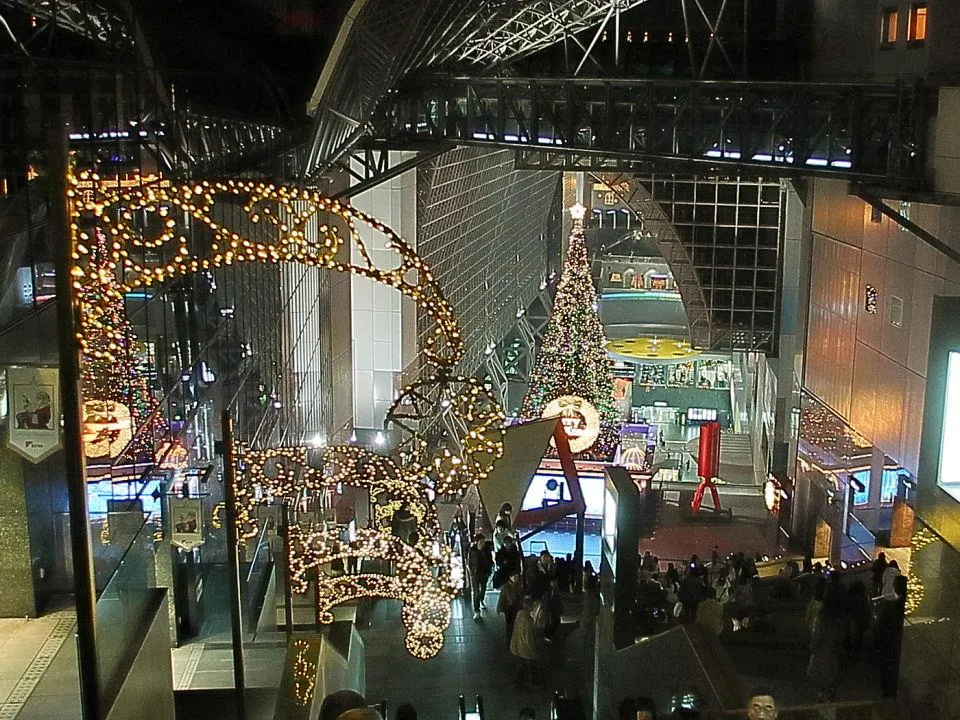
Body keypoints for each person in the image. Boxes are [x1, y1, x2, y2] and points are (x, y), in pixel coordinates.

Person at [510, 596, 543, 689]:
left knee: (521, 663)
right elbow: (530, 639)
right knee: (531, 666)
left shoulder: (520, 614)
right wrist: (534, 651)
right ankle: (534, 683)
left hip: (517, 645)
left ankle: (517, 681)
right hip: (526, 648)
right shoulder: (528, 621)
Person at [468, 533, 494, 620]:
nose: (483, 543)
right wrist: (472, 571)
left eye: (483, 541)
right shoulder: (472, 550)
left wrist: (490, 569)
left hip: (484, 572)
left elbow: (490, 560)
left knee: (483, 588)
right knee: (476, 592)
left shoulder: (487, 549)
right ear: (477, 542)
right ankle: (477, 611)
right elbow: (469, 562)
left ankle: (481, 600)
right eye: (481, 541)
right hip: (475, 573)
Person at [498, 569, 524, 640]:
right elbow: (502, 599)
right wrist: (500, 609)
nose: (516, 578)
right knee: (510, 626)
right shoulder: (505, 587)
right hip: (509, 609)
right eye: (514, 577)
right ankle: (510, 640)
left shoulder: (519, 586)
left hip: (518, 608)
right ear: (510, 577)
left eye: (517, 577)